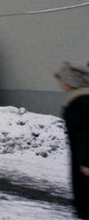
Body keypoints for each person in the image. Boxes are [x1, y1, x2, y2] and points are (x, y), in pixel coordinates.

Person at [55, 62, 89, 219]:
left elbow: (85, 133)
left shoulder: (79, 102)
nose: (59, 83)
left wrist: (85, 162)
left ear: (69, 81)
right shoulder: (79, 99)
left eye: (61, 80)